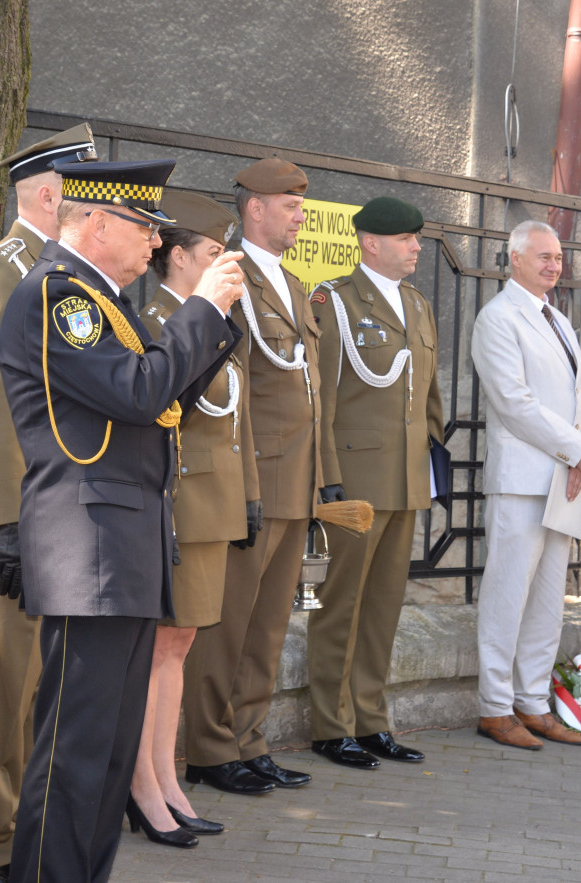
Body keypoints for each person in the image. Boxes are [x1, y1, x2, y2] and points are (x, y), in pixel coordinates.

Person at [0, 159, 245, 883]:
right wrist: (198, 308)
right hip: (89, 554)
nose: (155, 243)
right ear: (95, 222)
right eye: (145, 227)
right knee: (76, 749)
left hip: (123, 548)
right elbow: (136, 392)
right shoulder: (59, 298)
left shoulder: (106, 301)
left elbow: (163, 400)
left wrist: (212, 319)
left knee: (107, 754)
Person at [0, 123, 97, 883]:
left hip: (55, 518)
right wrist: (7, 522)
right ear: (48, 195)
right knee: (3, 695)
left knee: (41, 690)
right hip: (10, 522)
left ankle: (26, 836)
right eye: (83, 192)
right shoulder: (3, 274)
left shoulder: (57, 273)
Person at [182, 158, 323, 793]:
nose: (299, 216)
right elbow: (224, 389)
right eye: (288, 206)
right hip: (251, 481)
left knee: (268, 624)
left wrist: (327, 476)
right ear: (254, 209)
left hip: (296, 477)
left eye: (300, 206)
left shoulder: (294, 284)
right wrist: (243, 487)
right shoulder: (226, 277)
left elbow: (313, 389)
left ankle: (248, 737)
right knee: (228, 622)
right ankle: (211, 749)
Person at [306, 196, 444, 768]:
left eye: (416, 238)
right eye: (407, 238)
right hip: (356, 481)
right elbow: (323, 399)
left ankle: (370, 720)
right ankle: (329, 724)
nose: (416, 247)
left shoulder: (416, 304)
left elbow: (429, 401)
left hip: (406, 478)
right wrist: (327, 479)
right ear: (370, 243)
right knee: (342, 603)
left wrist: (431, 464)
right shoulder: (334, 302)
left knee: (384, 605)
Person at [127, 191, 247, 848]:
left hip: (209, 509)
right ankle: (144, 783)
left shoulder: (211, 317)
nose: (222, 264)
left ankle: (166, 776)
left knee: (178, 647)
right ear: (177, 259)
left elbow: (236, 424)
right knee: (160, 649)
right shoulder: (155, 319)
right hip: (177, 505)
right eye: (209, 253)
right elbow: (169, 403)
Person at [469, 220, 581, 750]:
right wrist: (576, 449)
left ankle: (533, 701)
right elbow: (514, 403)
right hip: (524, 479)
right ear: (515, 258)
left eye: (558, 257)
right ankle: (496, 708)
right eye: (543, 256)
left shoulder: (559, 321)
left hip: (566, 480)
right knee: (507, 595)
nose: (553, 264)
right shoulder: (498, 318)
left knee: (547, 600)